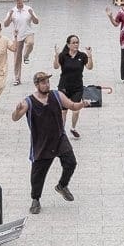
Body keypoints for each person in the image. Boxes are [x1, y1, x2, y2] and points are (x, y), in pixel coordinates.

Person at [13, 71, 89, 214]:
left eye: (48, 82)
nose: (47, 85)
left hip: (59, 138)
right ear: (36, 85)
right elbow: (15, 118)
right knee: (38, 174)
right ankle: (35, 200)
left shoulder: (57, 95)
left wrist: (82, 104)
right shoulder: (28, 101)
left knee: (71, 163)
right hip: (41, 143)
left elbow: (72, 106)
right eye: (43, 83)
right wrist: (17, 111)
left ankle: (62, 185)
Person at [53, 34, 93, 139]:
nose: (76, 45)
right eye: (73, 43)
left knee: (76, 110)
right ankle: (61, 131)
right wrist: (56, 55)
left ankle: (73, 128)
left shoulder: (82, 56)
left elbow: (89, 67)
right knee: (63, 111)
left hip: (77, 87)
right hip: (64, 87)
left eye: (77, 42)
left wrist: (89, 55)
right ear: (68, 44)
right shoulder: (63, 55)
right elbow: (56, 66)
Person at [3, 0, 40, 84]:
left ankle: (26, 55)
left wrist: (32, 14)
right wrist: (10, 15)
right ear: (15, 0)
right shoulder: (12, 11)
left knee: (30, 43)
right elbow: (5, 24)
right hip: (17, 36)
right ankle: (17, 78)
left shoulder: (28, 9)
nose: (19, 0)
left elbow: (36, 22)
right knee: (17, 59)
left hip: (28, 33)